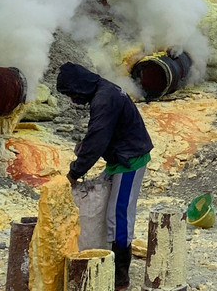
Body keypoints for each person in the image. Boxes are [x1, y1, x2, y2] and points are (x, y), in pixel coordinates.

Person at [57, 62, 154, 290]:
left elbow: (98, 138)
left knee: (118, 217)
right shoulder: (104, 91)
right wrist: (86, 147)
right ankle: (109, 259)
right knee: (108, 211)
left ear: (79, 87)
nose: (73, 100)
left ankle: (121, 278)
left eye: (72, 94)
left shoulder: (104, 99)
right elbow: (99, 133)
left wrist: (74, 173)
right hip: (120, 157)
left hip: (129, 161)